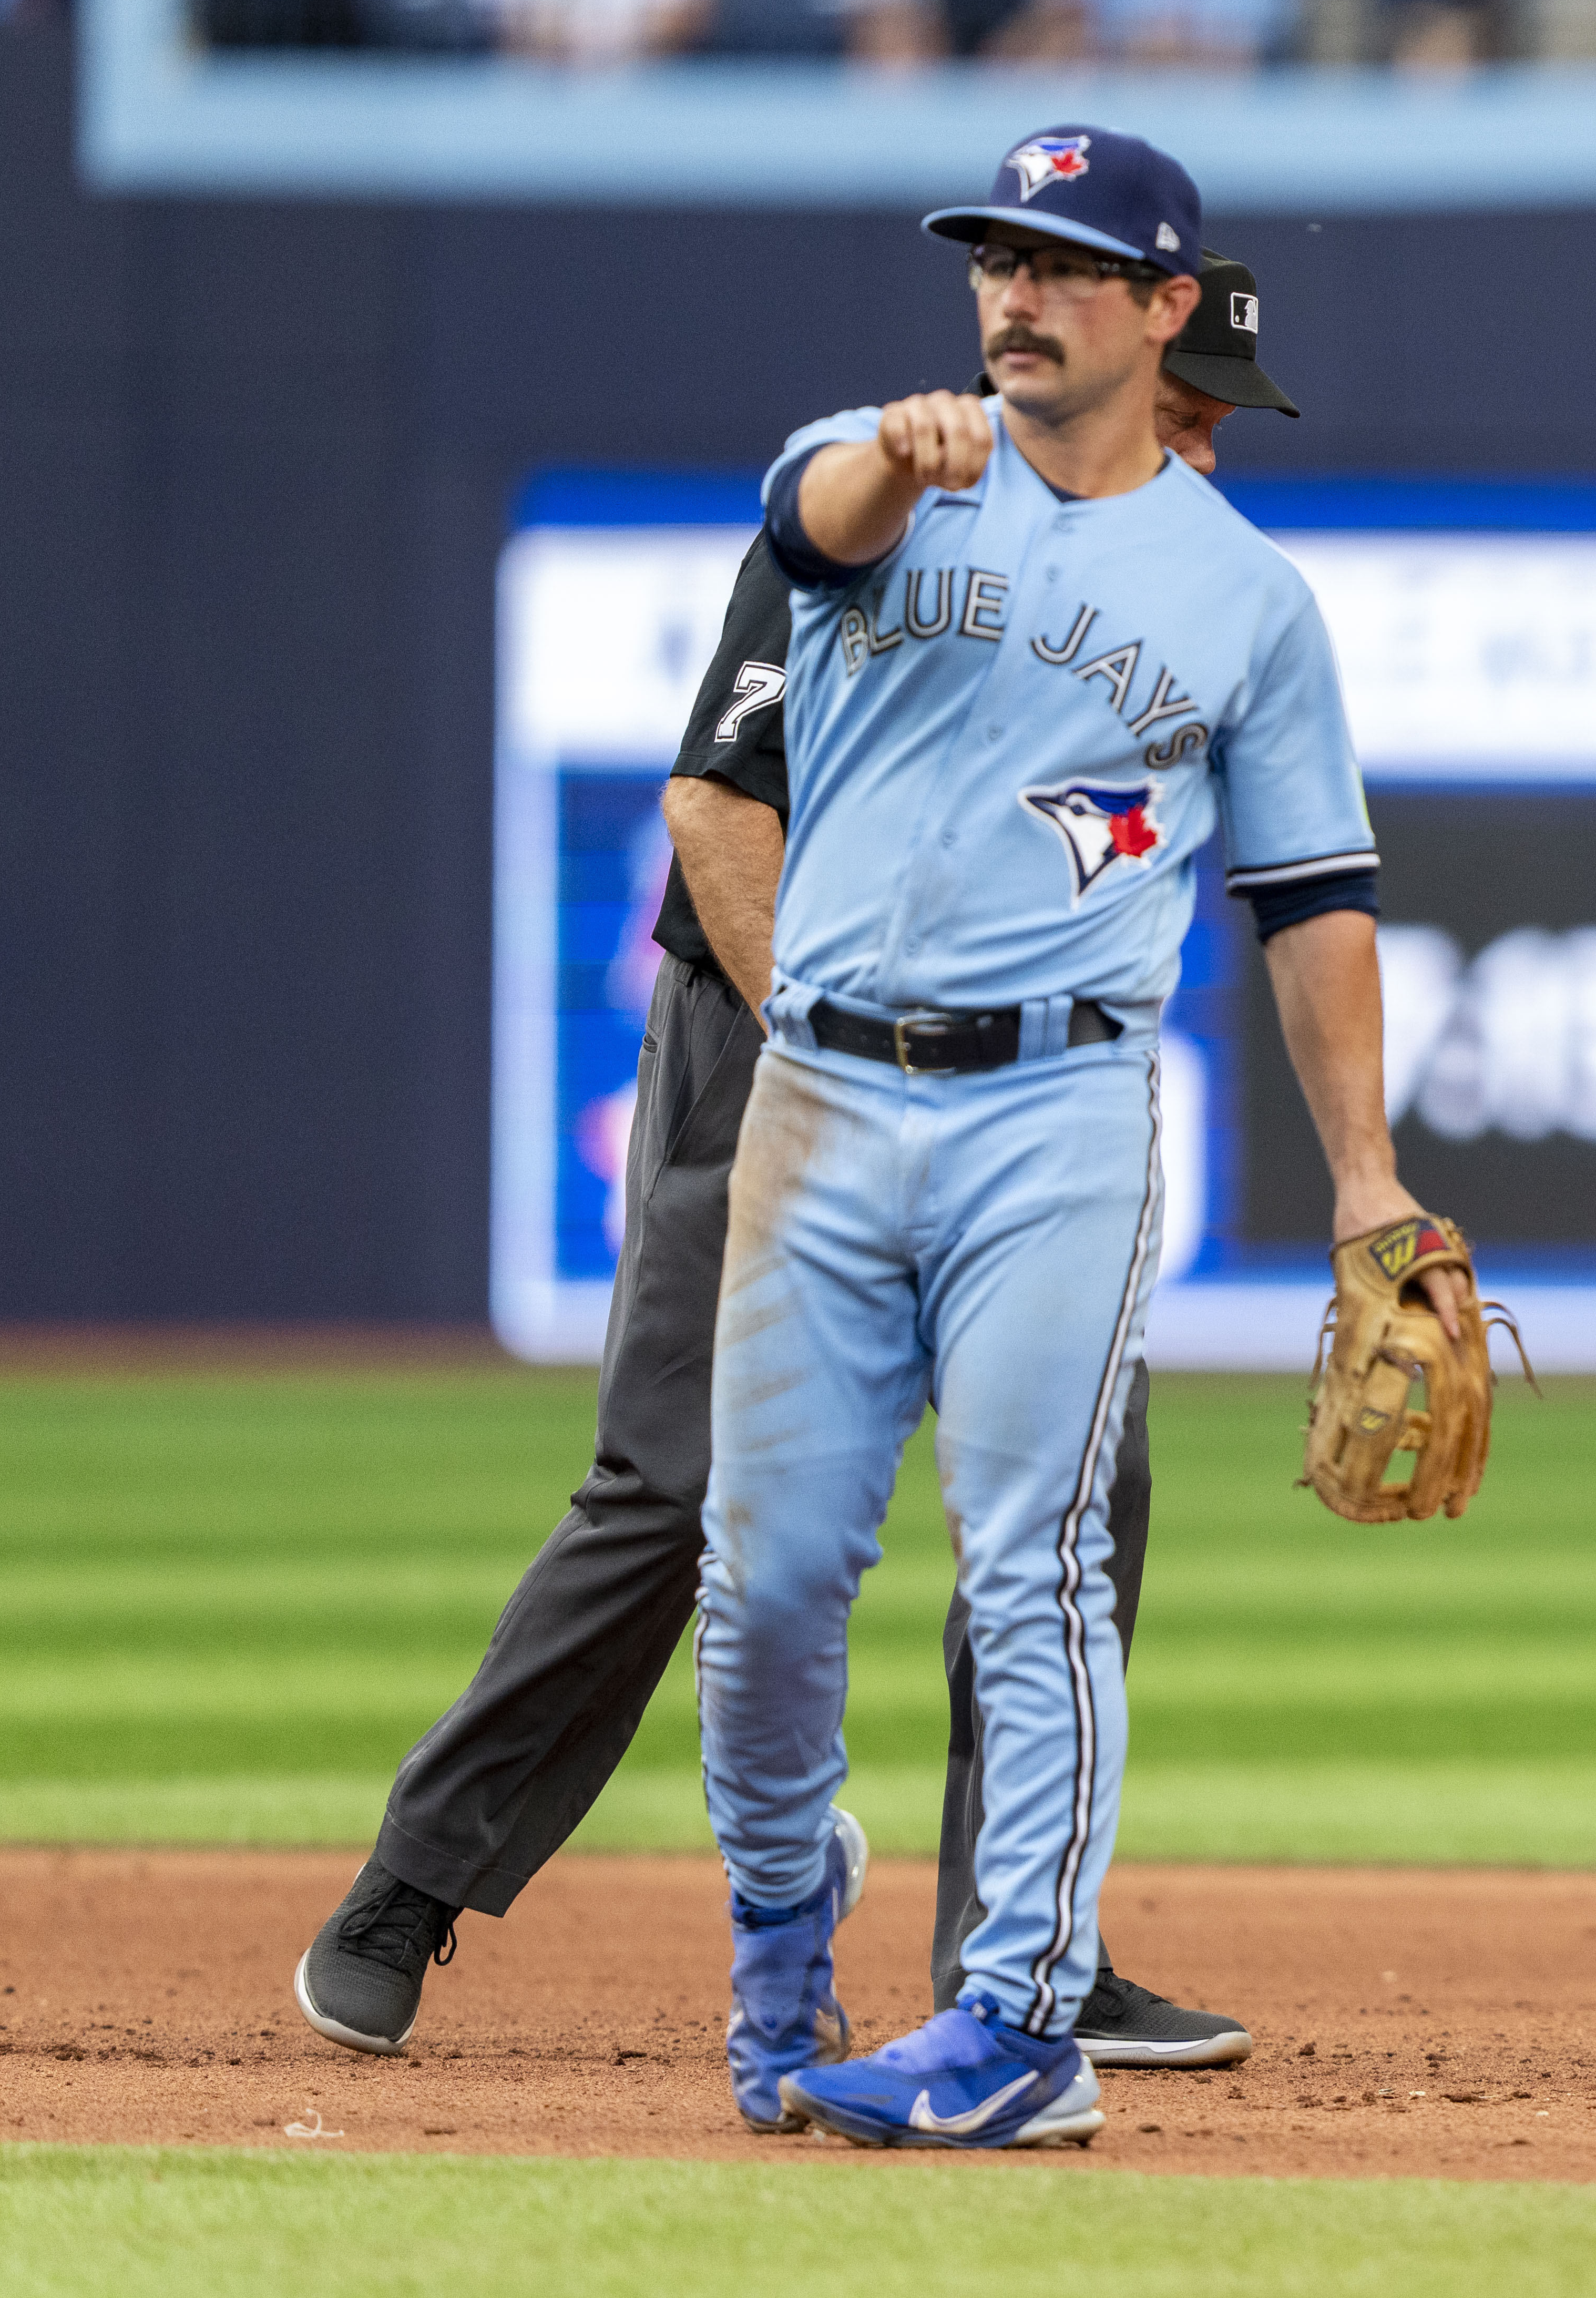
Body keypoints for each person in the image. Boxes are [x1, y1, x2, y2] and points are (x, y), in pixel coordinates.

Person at [290, 244, 1308, 2077]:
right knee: (674, 1484)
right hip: (760, 1042)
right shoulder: (881, 507)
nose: (1213, 453)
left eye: (1226, 426)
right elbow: (712, 802)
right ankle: (409, 1889)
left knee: (1080, 1490)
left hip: (1001, 1109)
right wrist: (821, 1062)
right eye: (1196, 415)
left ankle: (1022, 1964)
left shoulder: (1180, 589)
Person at [702, 122, 1466, 2151]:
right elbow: (807, 521)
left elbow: (1311, 897)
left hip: (1060, 1100)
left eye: (1058, 265)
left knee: (1031, 1563)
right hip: (824, 1083)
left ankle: (1023, 2016)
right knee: (764, 1582)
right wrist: (893, 453)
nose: (1011, 295)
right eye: (991, 260)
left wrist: (1367, 1173)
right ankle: (785, 1944)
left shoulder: (1244, 598)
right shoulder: (881, 469)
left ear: (1156, 307)